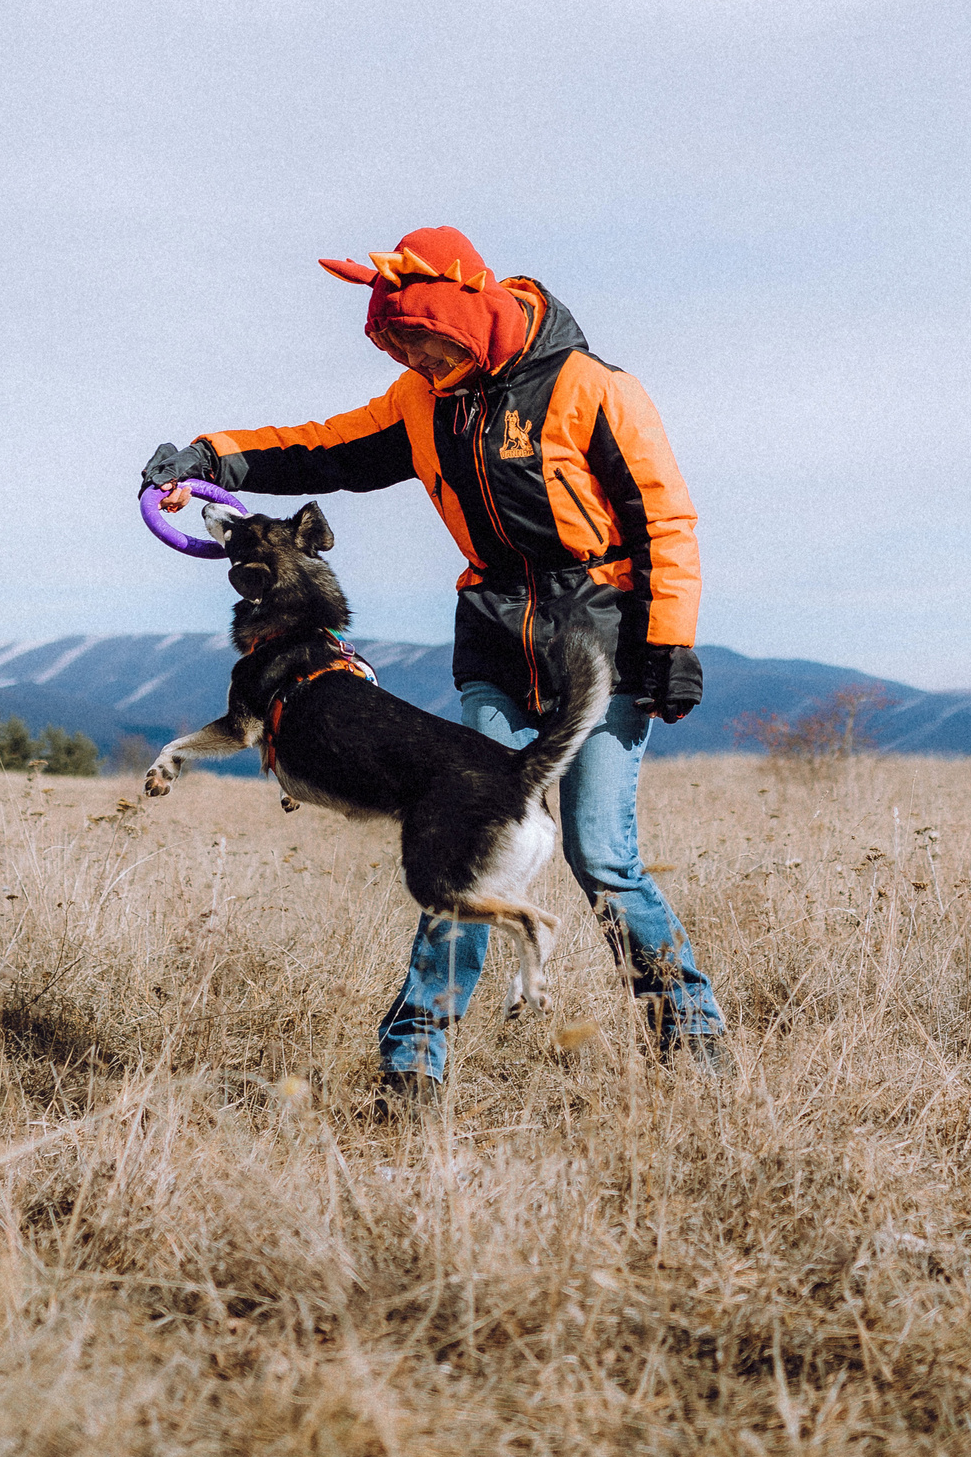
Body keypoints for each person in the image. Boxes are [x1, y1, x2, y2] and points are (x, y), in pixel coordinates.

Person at [140, 225, 729, 1100]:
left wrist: (671, 641)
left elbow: (664, 521)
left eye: (420, 337)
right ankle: (415, 1062)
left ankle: (690, 1034)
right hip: (493, 636)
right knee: (455, 826)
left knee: (602, 855)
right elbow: (320, 448)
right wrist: (210, 455)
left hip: (601, 635)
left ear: (469, 312)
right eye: (395, 343)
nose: (411, 356)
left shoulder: (591, 389)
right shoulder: (423, 400)